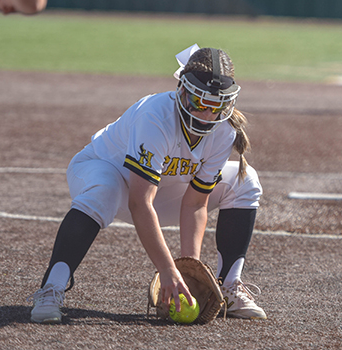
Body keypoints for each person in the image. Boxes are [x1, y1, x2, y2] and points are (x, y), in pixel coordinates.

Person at [28, 44, 267, 324]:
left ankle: (229, 284)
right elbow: (139, 203)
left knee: (244, 181)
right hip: (109, 177)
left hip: (163, 193)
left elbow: (195, 203)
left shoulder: (224, 130)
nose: (207, 114)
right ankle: (51, 287)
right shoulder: (156, 116)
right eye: (201, 102)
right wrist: (167, 270)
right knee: (104, 188)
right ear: (182, 91)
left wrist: (188, 271)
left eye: (217, 105)